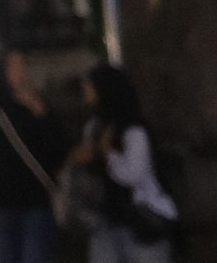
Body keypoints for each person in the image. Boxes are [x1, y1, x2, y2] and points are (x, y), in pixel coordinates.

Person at [0, 51, 66, 263]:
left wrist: (41, 113)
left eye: (23, 65)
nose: (21, 72)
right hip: (0, 204)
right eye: (14, 67)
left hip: (36, 202)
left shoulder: (39, 106)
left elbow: (58, 150)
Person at [69, 63, 176, 263]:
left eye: (90, 84)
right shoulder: (94, 126)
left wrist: (108, 153)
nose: (85, 89)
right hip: (105, 220)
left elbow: (134, 174)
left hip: (140, 221)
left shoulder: (133, 129)